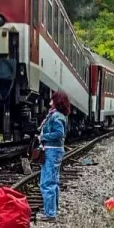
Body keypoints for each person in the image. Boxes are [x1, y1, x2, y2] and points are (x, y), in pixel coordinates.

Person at [38, 91, 71, 221]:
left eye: (52, 99)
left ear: (57, 101)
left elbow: (59, 133)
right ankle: (52, 209)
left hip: (52, 150)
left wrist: (43, 137)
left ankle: (50, 213)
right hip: (56, 150)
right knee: (54, 181)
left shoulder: (56, 116)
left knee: (47, 182)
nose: (50, 101)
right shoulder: (59, 115)